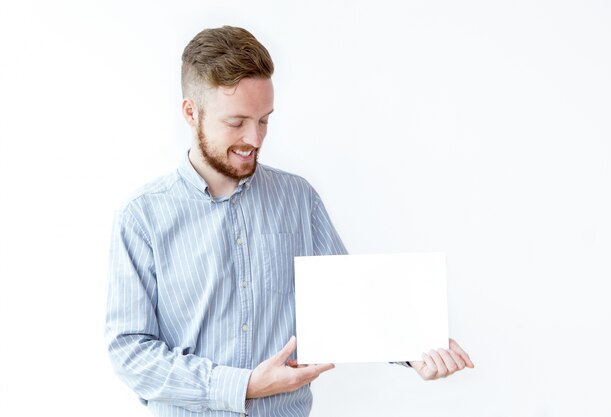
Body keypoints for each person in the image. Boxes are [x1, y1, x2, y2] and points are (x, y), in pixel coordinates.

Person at [105, 26, 474, 417]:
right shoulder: (142, 217)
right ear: (190, 113)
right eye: (237, 122)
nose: (255, 138)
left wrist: (413, 348)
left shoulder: (298, 198)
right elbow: (131, 352)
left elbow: (351, 303)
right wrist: (243, 386)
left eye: (264, 120)